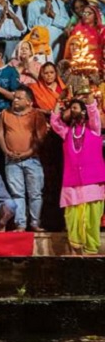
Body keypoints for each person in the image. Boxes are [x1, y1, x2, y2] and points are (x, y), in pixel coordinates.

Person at [50, 97, 105, 255]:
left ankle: (91, 250)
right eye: (70, 108)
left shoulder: (93, 129)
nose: (71, 111)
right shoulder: (67, 132)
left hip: (92, 182)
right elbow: (55, 123)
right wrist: (57, 106)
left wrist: (90, 102)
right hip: (72, 182)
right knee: (73, 216)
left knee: (92, 218)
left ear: (83, 111)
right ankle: (76, 250)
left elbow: (94, 115)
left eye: (74, 108)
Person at [0, 88, 48, 232]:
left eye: (19, 98)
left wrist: (27, 153)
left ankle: (34, 223)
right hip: (12, 160)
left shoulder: (36, 115)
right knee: (17, 193)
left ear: (29, 102)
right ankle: (20, 224)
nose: (15, 100)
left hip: (32, 159)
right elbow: (0, 133)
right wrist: (6, 151)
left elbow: (40, 138)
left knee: (35, 193)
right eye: (14, 97)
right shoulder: (5, 113)